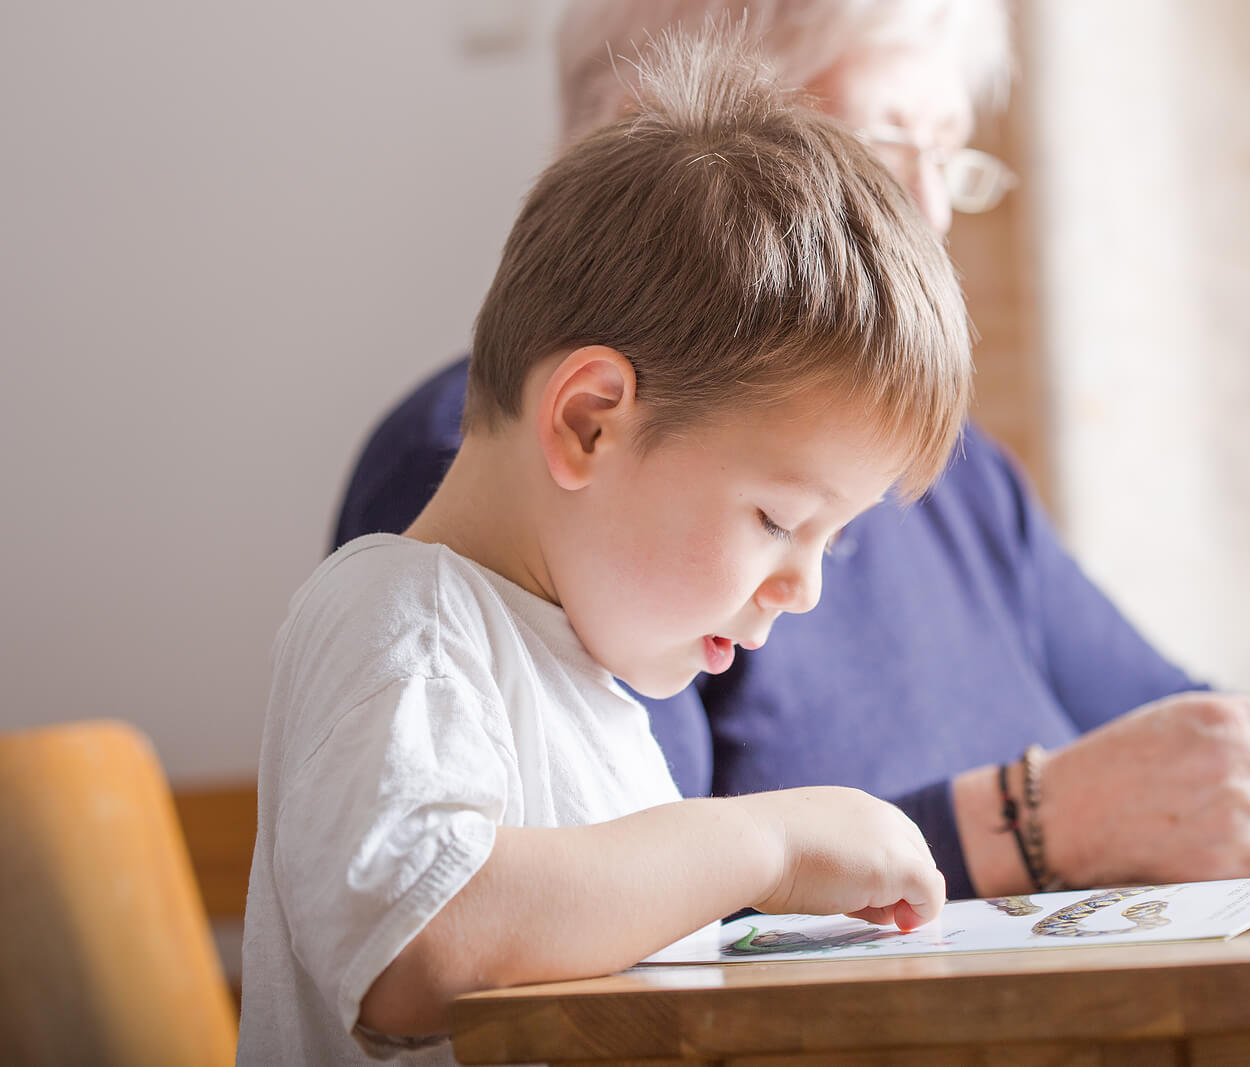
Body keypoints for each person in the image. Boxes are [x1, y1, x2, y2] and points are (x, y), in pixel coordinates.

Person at [333, 0, 1250, 903]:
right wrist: (1028, 822)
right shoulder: (497, 487)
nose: (923, 219)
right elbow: (609, 903)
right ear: (666, 152)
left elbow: (1165, 726)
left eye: (949, 161)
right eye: (874, 155)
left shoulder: (954, 477)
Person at [241, 27, 970, 1062]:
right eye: (777, 521)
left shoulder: (593, 693)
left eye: (831, 540)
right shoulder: (406, 620)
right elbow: (417, 942)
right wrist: (765, 843)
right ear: (589, 422)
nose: (804, 588)